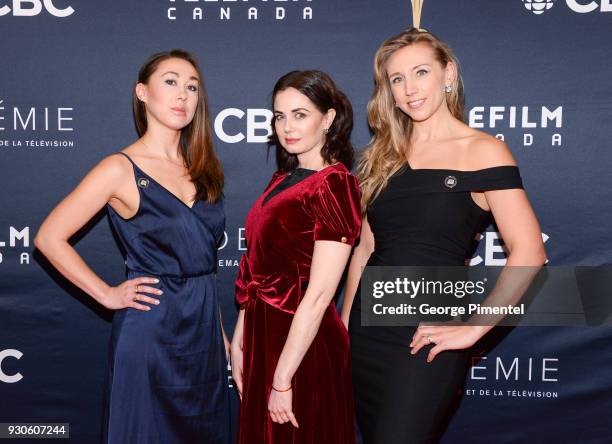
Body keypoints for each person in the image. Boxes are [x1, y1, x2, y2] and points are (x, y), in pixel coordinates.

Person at [340, 29, 547, 444]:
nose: (409, 89)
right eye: (396, 79)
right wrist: (344, 329)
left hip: (428, 336)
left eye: (420, 72)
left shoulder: (483, 151)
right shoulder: (381, 156)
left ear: (447, 74)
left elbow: (530, 252)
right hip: (367, 333)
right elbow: (366, 249)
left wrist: (473, 329)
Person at [34, 50, 230, 444]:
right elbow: (48, 237)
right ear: (142, 92)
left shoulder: (204, 168)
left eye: (192, 87)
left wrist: (222, 337)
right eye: (171, 82)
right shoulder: (120, 168)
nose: (183, 95)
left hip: (203, 332)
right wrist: (106, 293)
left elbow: (204, 267)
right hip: (151, 330)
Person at [230, 70, 361, 444]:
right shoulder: (281, 179)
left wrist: (284, 378)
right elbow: (256, 266)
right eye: (279, 115)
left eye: (300, 114)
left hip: (303, 345)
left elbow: (320, 295)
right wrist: (241, 338)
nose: (286, 126)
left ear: (329, 119)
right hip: (263, 333)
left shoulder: (335, 184)